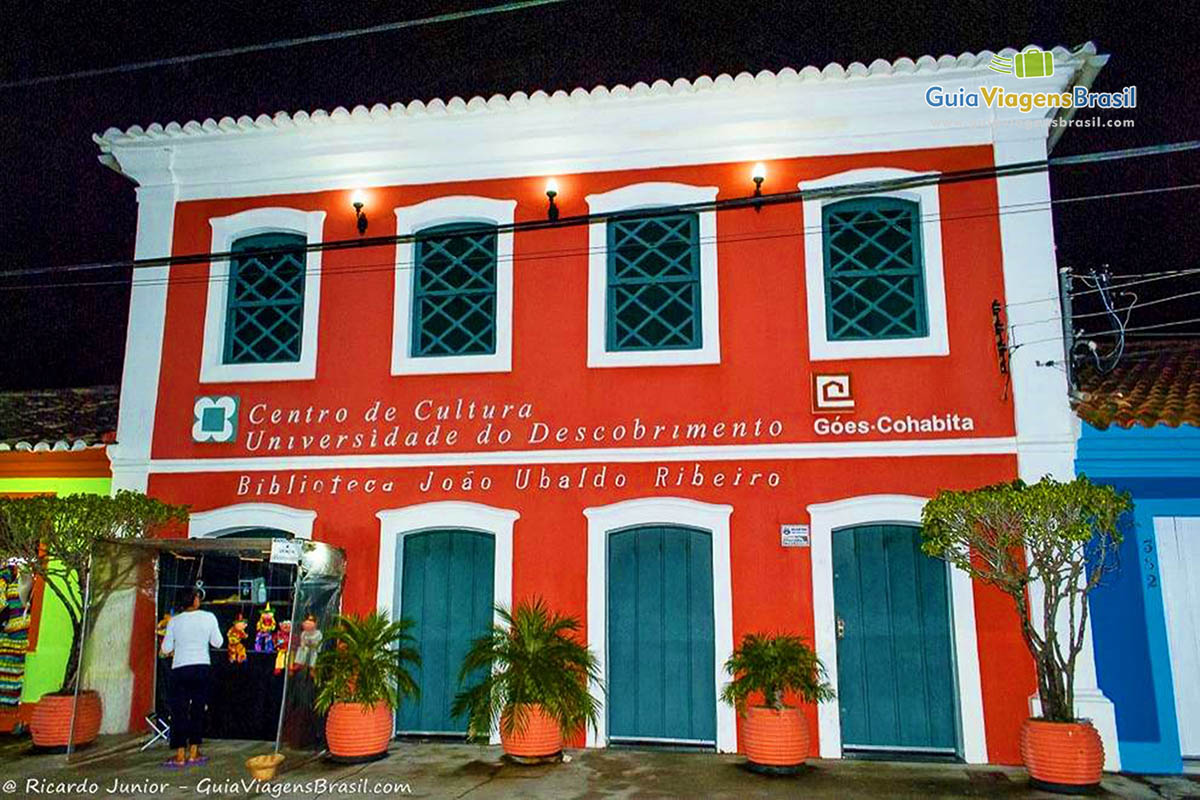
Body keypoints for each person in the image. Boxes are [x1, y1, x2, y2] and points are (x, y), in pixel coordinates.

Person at [159, 587, 223, 767]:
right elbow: (218, 643)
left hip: (179, 668)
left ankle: (180, 755)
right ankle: (194, 752)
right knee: (197, 709)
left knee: (179, 710)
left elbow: (165, 648)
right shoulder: (209, 617)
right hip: (202, 666)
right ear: (195, 600)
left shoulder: (174, 621)